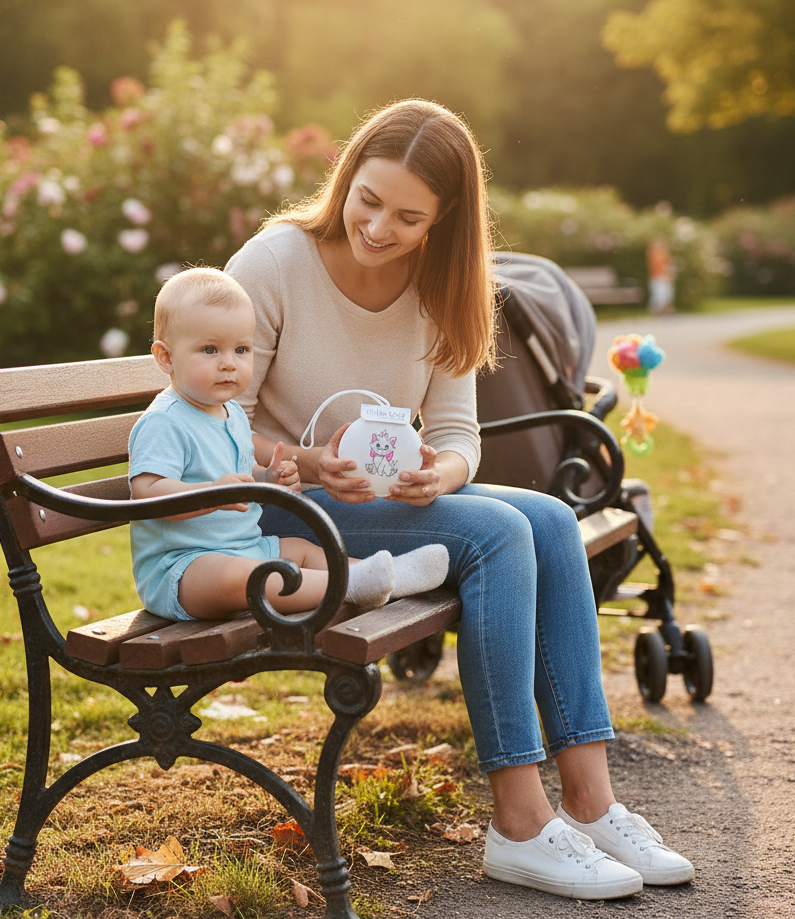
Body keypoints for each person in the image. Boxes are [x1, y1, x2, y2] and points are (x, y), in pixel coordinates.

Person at [225, 99, 695, 899]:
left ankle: (590, 801)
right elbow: (214, 424)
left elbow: (456, 433)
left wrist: (439, 476)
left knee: (547, 516)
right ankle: (517, 821)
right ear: (347, 177)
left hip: (377, 501)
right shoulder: (273, 266)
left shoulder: (444, 285)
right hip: (281, 508)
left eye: (408, 217)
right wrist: (299, 458)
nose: (377, 227)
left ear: (444, 221)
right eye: (366, 200)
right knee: (498, 534)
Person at [127, 267, 449, 623]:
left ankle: (390, 576)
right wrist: (210, 493)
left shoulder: (230, 413)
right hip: (182, 567)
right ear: (166, 358)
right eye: (209, 349)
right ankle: (353, 584)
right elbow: (147, 492)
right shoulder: (165, 421)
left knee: (300, 550)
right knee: (238, 577)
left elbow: (235, 473)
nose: (229, 364)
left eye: (241, 349)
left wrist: (266, 480)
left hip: (246, 547)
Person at [647, 236, 675, 315]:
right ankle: (658, 310)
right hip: (658, 278)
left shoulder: (664, 255)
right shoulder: (654, 255)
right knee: (659, 296)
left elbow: (668, 266)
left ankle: (666, 310)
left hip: (664, 278)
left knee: (667, 295)